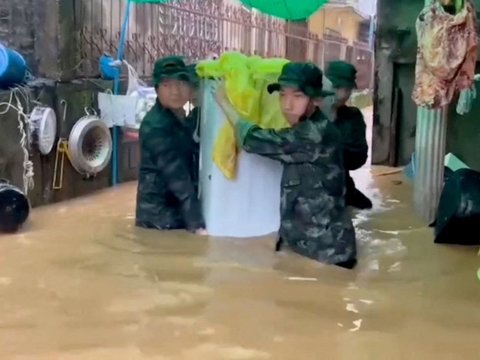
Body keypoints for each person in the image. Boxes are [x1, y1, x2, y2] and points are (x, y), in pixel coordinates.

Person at [215, 62, 357, 269]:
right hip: (307, 248)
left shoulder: (313, 135)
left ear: (316, 100)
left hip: (326, 255)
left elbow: (251, 140)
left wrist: (224, 102)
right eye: (283, 95)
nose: (287, 105)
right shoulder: (307, 128)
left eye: (297, 96)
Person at [135, 56, 207, 235]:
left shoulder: (185, 111)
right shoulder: (155, 126)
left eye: (181, 84)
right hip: (159, 217)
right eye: (167, 85)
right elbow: (177, 178)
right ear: (157, 89)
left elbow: (194, 112)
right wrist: (197, 225)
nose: (175, 91)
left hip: (178, 206)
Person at [325, 60, 372, 210]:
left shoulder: (352, 117)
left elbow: (359, 158)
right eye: (337, 87)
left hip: (342, 188)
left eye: (348, 89)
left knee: (365, 208)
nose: (343, 94)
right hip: (310, 193)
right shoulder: (308, 113)